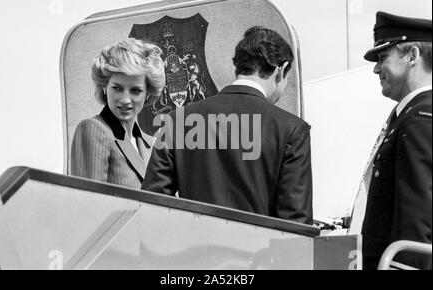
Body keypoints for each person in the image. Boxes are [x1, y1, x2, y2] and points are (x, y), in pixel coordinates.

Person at [142, 26, 313, 224]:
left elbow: (152, 205)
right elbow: (295, 224)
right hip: (257, 253)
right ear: (281, 69)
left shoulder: (175, 121)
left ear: (239, 66)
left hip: (192, 251)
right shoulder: (292, 130)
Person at [358, 11, 432, 270]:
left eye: (382, 57)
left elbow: (418, 217)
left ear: (412, 55)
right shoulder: (411, 116)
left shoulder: (421, 118)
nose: (377, 69)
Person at [71, 38, 165, 188]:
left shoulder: (150, 144)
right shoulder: (93, 129)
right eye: (117, 88)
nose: (125, 100)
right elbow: (89, 204)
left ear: (148, 93)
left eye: (135, 91)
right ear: (104, 86)